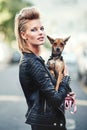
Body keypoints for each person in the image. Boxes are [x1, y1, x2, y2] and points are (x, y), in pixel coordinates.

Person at [14, 7, 71, 130]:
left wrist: (67, 91)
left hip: (46, 122)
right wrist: (66, 78)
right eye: (34, 30)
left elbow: (48, 90)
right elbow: (55, 99)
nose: (40, 32)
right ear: (24, 35)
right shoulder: (32, 62)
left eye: (42, 28)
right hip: (47, 125)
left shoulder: (33, 59)